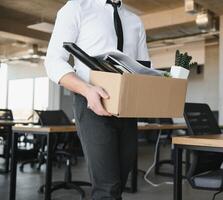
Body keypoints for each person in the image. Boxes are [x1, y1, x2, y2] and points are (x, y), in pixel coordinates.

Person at [44, 0, 150, 199]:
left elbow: (142, 68)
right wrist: (87, 90)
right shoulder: (76, 8)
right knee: (107, 188)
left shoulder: (134, 20)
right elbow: (53, 61)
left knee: (119, 182)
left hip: (126, 107)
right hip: (91, 102)